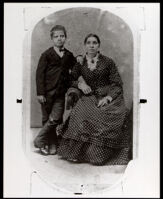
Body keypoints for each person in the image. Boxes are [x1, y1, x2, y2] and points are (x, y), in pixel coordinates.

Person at [57, 33, 130, 165]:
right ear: (85, 45)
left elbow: (117, 84)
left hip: (108, 96)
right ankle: (77, 154)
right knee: (80, 115)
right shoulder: (80, 62)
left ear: (98, 45)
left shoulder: (108, 62)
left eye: (94, 43)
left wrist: (108, 98)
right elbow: (70, 79)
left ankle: (97, 155)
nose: (91, 45)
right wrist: (80, 84)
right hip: (90, 96)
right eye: (89, 43)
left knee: (103, 115)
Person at [34, 25, 77, 155]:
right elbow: (39, 74)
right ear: (52, 38)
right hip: (46, 93)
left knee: (55, 119)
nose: (59, 39)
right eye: (56, 36)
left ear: (65, 38)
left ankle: (39, 141)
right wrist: (40, 93)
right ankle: (50, 144)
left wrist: (79, 59)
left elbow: (75, 68)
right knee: (46, 119)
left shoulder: (69, 55)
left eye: (62, 36)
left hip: (59, 93)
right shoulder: (46, 54)